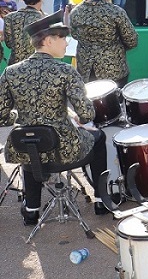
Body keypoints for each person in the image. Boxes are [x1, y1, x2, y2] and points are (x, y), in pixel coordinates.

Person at [0, 12, 109, 224]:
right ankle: (100, 200)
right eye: (62, 38)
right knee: (99, 137)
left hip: (28, 150)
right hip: (64, 150)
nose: (67, 43)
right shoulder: (66, 70)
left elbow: (0, 114)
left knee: (29, 141)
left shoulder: (10, 72)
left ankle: (31, 209)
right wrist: (77, 117)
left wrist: (19, 116)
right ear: (48, 41)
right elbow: (87, 114)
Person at [69, 0, 139, 88]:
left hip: (86, 70)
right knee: (114, 105)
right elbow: (132, 40)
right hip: (113, 70)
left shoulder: (76, 12)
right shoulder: (116, 12)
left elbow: (74, 34)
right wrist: (118, 46)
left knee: (89, 105)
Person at [3, 0, 45, 66]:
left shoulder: (9, 17)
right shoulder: (43, 18)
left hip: (14, 66)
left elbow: (9, 44)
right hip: (35, 67)